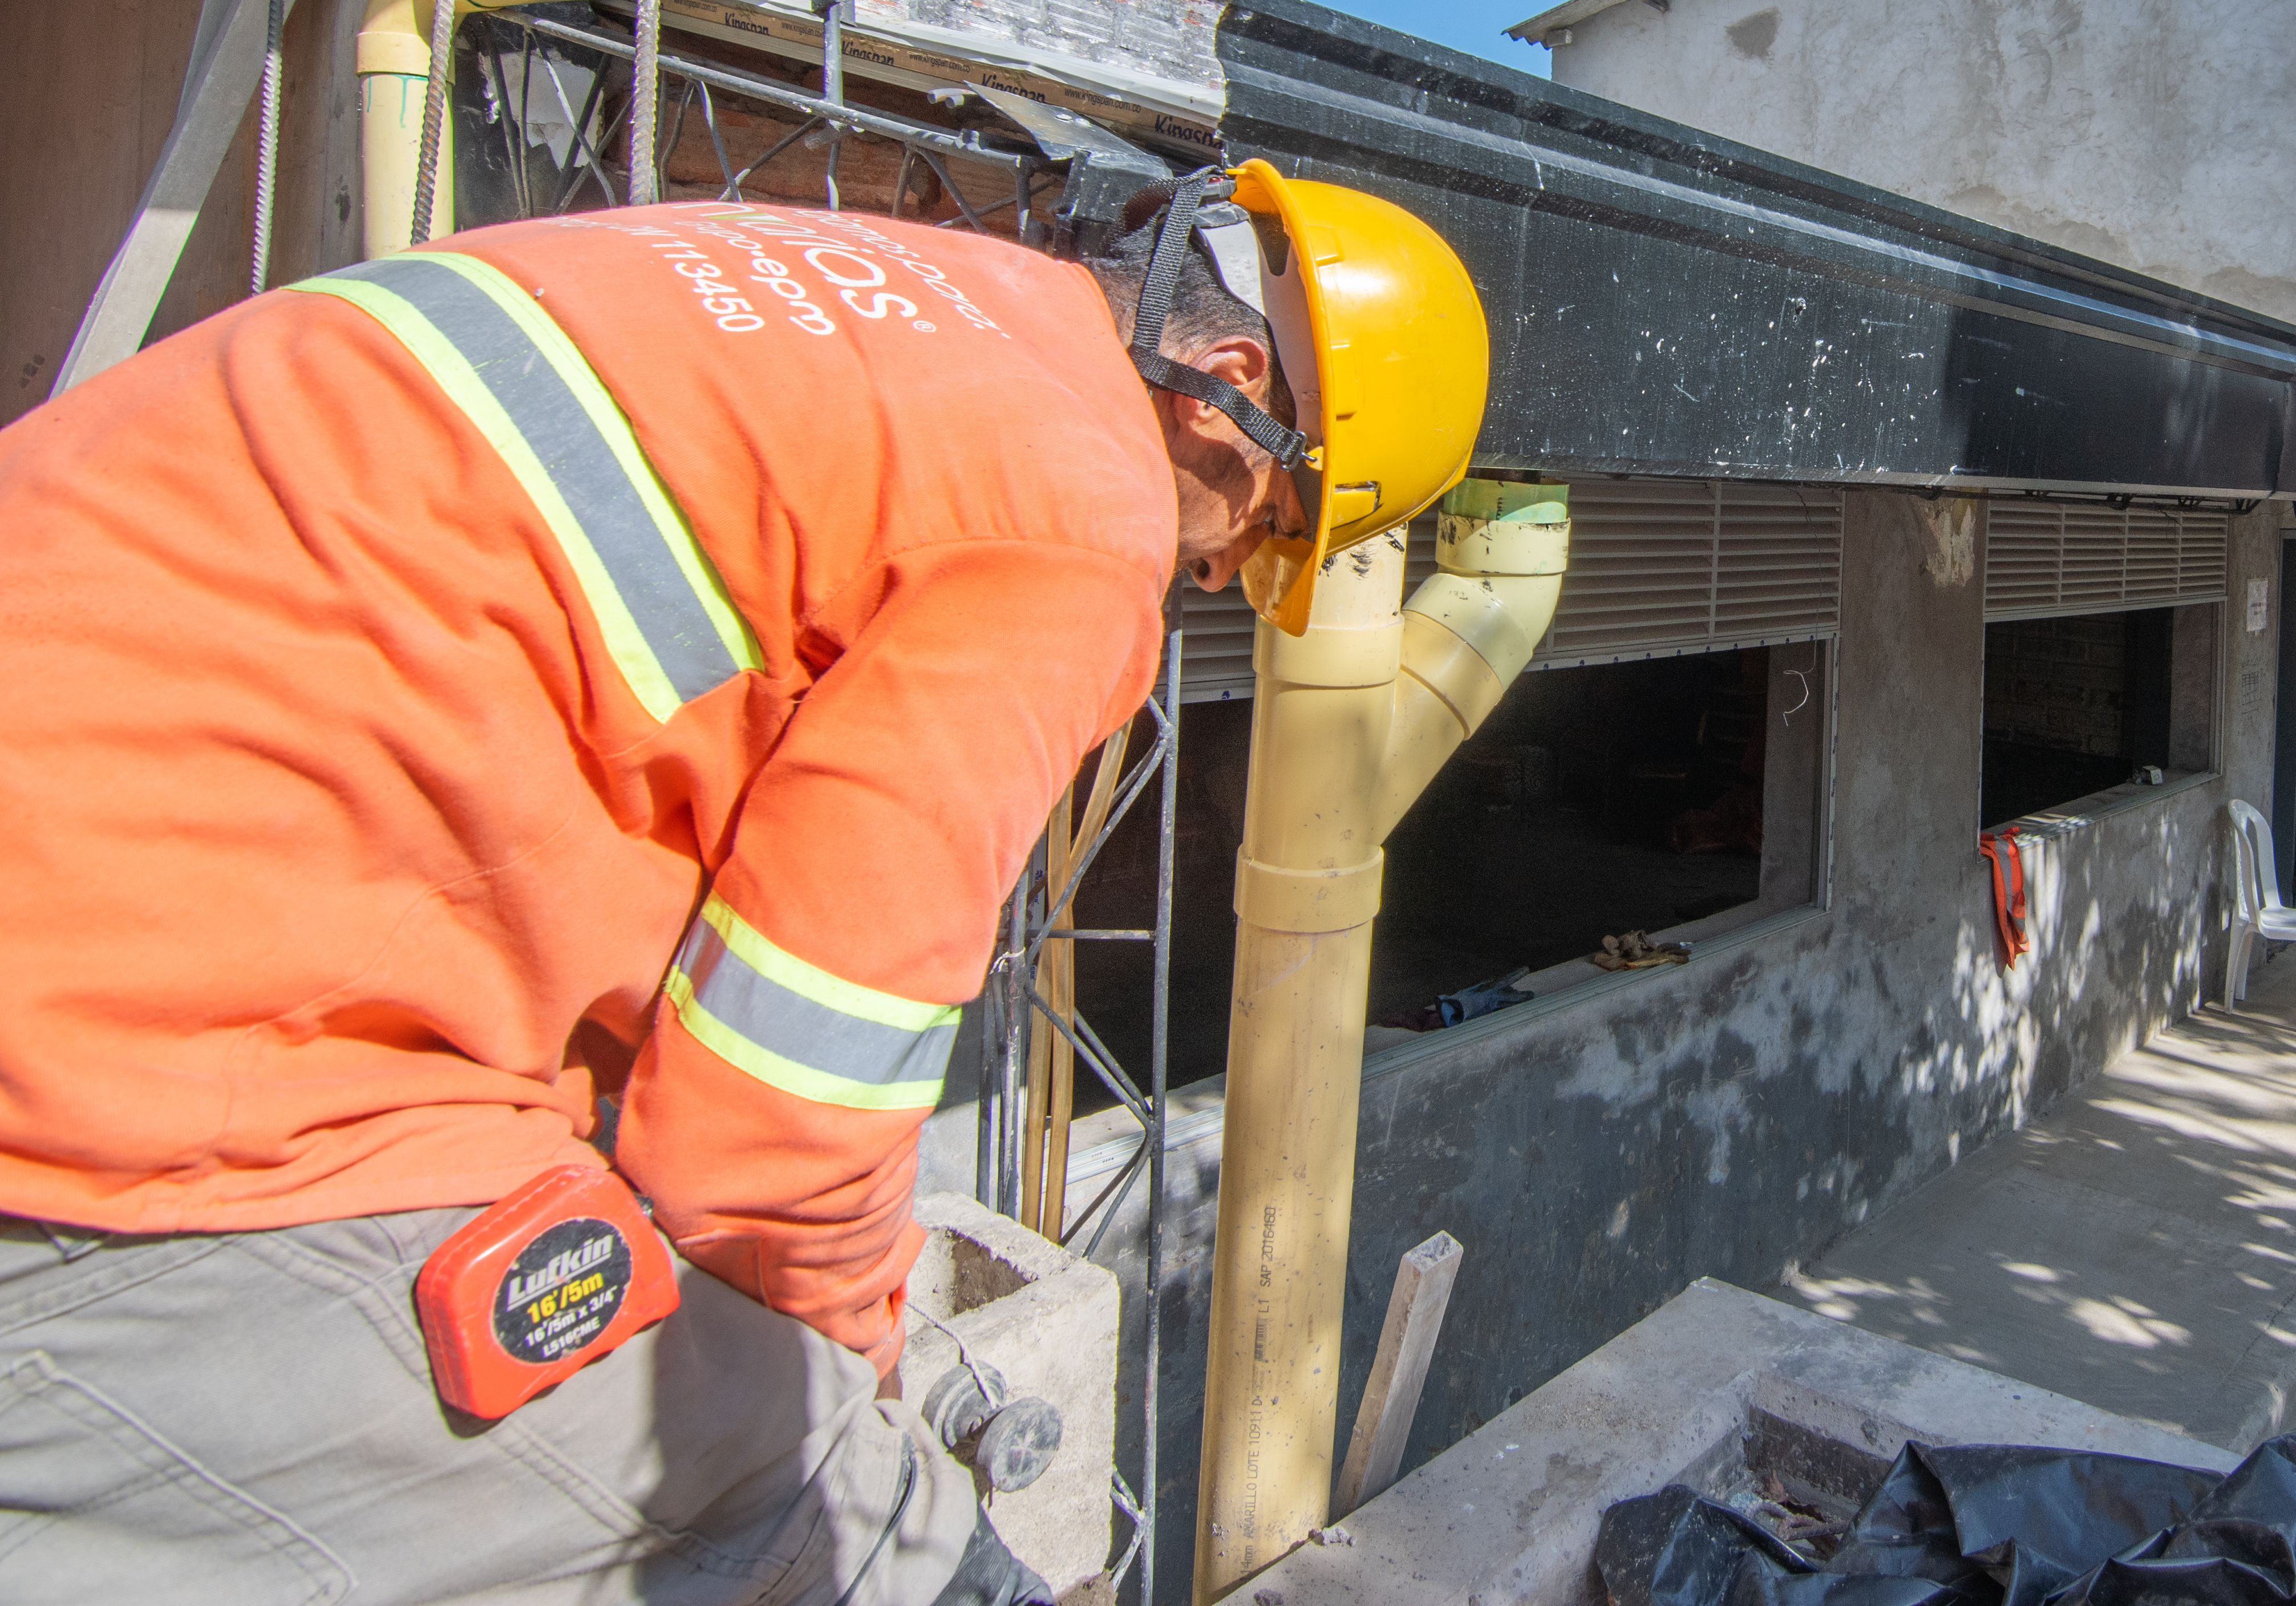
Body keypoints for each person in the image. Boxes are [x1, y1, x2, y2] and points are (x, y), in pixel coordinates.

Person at [0, 162, 1486, 1603]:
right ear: (1223, 392)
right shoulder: (1075, 504)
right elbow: (778, 1126)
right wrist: (855, 1390)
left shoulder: (868, 299)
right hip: (116, 1053)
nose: (1222, 578)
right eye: (1273, 530)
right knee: (818, 1511)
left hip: (117, 880)